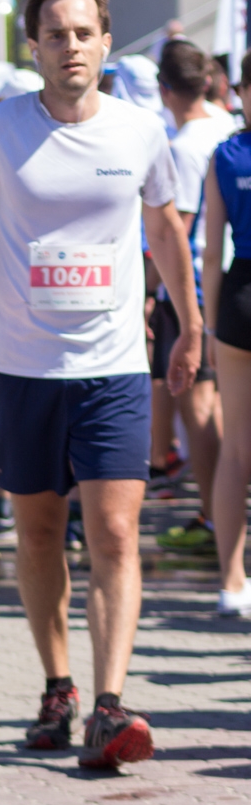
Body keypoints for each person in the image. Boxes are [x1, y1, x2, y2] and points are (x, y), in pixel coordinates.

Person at [0, 0, 200, 768]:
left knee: (115, 531)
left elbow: (166, 234)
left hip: (113, 365)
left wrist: (190, 326)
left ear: (106, 43)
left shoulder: (140, 132)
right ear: (34, 47)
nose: (71, 46)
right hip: (23, 366)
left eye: (84, 33)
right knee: (40, 531)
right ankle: (58, 687)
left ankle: (110, 704)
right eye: (56, 34)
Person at [152, 40, 231, 554]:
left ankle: (215, 516)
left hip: (194, 288)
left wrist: (149, 288)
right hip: (229, 278)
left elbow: (174, 231)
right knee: (222, 404)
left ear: (165, 90)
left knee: (197, 405)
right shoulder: (227, 124)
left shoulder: (182, 146)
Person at [202, 54, 251, 615]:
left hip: (239, 298)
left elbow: (211, 251)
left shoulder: (225, 154)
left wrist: (210, 326)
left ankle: (232, 583)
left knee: (236, 449)